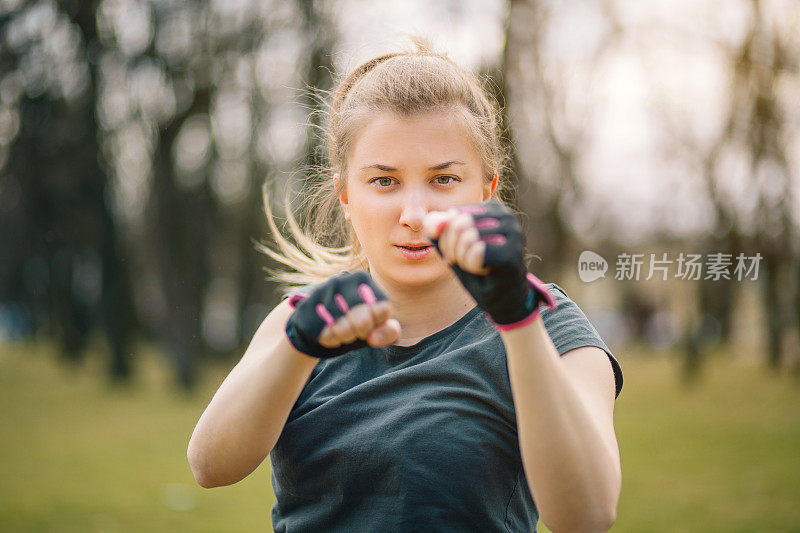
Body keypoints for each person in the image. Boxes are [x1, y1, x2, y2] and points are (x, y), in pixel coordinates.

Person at [187, 37, 624, 532]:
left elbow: (588, 516)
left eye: (443, 180)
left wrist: (516, 319)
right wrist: (297, 349)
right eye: (384, 181)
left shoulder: (551, 325)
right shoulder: (301, 319)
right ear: (346, 196)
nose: (416, 216)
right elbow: (209, 467)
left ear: (486, 191)